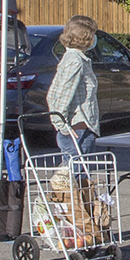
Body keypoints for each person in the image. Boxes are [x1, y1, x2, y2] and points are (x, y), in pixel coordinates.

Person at [46, 15, 100, 161]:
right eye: (93, 34)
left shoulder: (73, 58)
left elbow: (53, 93)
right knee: (72, 177)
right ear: (85, 37)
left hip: (80, 127)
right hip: (78, 127)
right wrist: (62, 126)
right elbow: (62, 94)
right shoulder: (75, 61)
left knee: (79, 179)